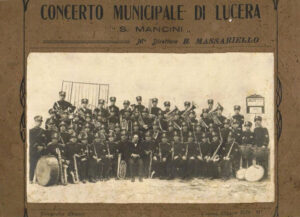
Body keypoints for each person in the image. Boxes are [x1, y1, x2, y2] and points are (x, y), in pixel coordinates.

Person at [29, 116, 47, 182]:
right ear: (35, 122)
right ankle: (31, 179)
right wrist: (37, 146)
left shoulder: (43, 131)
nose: (39, 123)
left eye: (40, 122)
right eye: (38, 121)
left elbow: (45, 140)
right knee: (32, 164)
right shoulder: (31, 131)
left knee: (40, 165)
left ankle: (38, 179)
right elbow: (30, 141)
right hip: (34, 150)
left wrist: (42, 146)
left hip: (41, 151)